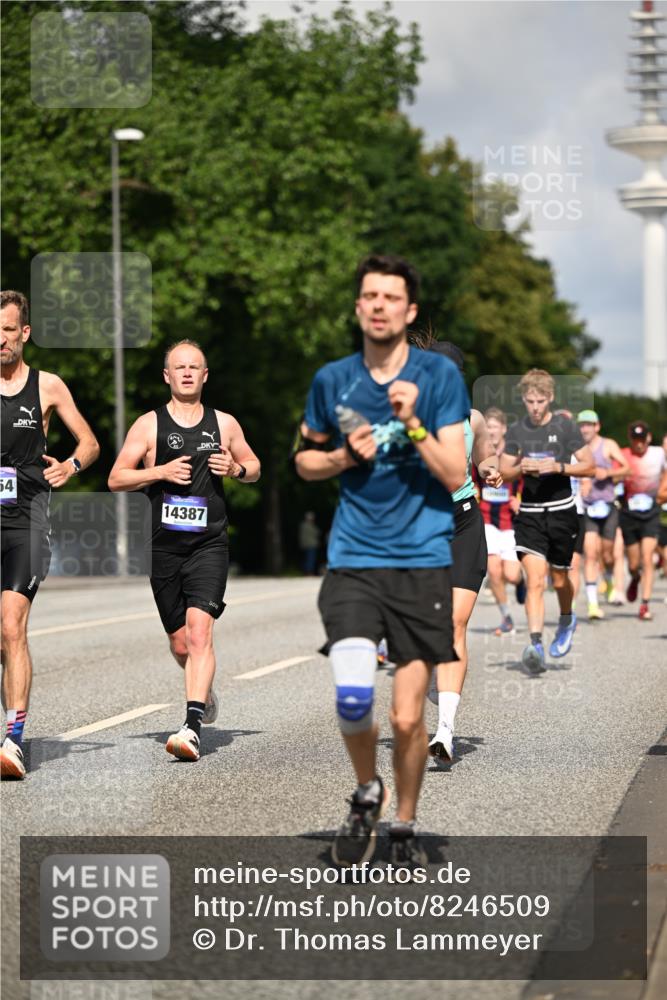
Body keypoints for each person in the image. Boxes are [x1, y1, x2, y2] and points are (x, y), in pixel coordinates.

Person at [295, 254, 469, 868]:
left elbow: (455, 473)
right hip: (353, 560)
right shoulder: (333, 380)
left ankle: (404, 823)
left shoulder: (439, 378)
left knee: (406, 716)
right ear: (358, 306)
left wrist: (414, 423)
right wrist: (344, 457)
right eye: (369, 295)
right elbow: (303, 462)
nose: (378, 305)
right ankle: (368, 790)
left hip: (422, 561)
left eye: (391, 297)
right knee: (351, 698)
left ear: (409, 310)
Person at [108, 340, 260, 760]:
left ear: (205, 375)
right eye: (180, 367)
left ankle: (191, 726)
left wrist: (236, 468)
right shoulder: (148, 425)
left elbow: (254, 467)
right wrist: (159, 471)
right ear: (167, 376)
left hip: (209, 544)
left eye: (195, 367)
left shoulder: (224, 424)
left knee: (199, 633)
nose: (188, 373)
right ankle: (203, 693)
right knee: (181, 645)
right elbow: (116, 478)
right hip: (164, 548)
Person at [1, 290, 100, 779]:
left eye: (7, 331)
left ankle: (14, 740)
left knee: (11, 626)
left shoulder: (48, 386)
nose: (0, 340)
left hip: (27, 522)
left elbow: (90, 443)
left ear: (25, 333)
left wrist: (71, 466)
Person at [426, 344, 503, 762]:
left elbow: (485, 459)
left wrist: (490, 471)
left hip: (464, 521)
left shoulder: (472, 418)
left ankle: (445, 730)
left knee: (455, 623)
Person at [500, 371, 594, 673]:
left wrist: (558, 466)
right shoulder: (517, 430)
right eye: (530, 401)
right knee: (535, 581)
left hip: (561, 513)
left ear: (550, 398)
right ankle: (536, 645)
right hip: (529, 514)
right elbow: (504, 471)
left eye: (540, 401)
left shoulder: (565, 427)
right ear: (523, 399)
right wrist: (521, 468)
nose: (535, 407)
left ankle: (566, 619)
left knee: (559, 579)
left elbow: (590, 466)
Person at [576, 410, 629, 620]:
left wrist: (607, 473)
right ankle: (593, 604)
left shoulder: (608, 445)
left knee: (607, 555)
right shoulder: (575, 448)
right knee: (590, 553)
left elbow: (627, 468)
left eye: (588, 425)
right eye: (582, 425)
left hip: (608, 506)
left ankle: (608, 579)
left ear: (597, 426)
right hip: (588, 508)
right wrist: (582, 482)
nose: (585, 429)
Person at [479, 407, 524, 636]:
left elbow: (525, 480)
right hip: (487, 518)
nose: (491, 431)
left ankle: (521, 581)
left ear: (504, 429)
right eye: (487, 427)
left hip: (510, 521)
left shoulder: (514, 453)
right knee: (494, 571)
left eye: (495, 427)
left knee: (511, 575)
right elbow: (472, 478)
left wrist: (519, 500)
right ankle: (506, 617)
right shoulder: (480, 453)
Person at [619, 421, 667, 621]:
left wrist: (662, 490)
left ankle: (644, 604)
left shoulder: (658, 454)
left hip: (651, 513)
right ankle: (635, 577)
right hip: (629, 514)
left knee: (648, 558)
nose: (639, 444)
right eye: (635, 439)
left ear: (648, 438)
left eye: (642, 439)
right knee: (633, 564)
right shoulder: (623, 455)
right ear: (630, 439)